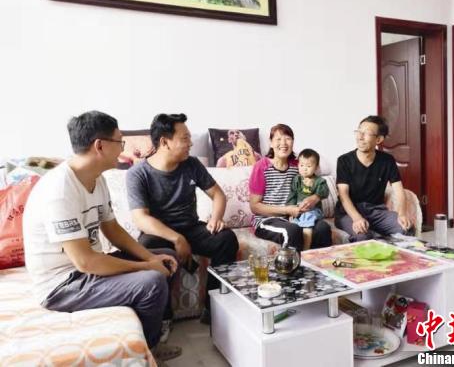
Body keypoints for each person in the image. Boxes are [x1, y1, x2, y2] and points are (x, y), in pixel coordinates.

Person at [23, 111, 182, 361]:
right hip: (63, 285)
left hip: (85, 272)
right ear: (100, 145)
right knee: (151, 282)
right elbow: (85, 262)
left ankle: (150, 331)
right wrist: (146, 266)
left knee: (166, 255)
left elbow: (113, 230)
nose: (122, 148)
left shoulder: (97, 179)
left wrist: (151, 257)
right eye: (120, 141)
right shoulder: (59, 190)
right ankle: (149, 351)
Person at [126, 113, 239, 325]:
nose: (190, 143)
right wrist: (177, 239)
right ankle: (163, 319)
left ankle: (213, 308)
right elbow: (141, 219)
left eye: (190, 138)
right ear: (164, 142)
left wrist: (216, 218)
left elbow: (218, 195)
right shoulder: (138, 174)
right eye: (185, 138)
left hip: (191, 228)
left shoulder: (191, 164)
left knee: (226, 239)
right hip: (159, 234)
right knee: (148, 249)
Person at [249, 124, 333, 251]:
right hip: (266, 220)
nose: (283, 143)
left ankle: (318, 264)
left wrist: (315, 198)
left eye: (288, 139)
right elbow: (254, 206)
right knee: (293, 231)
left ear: (293, 142)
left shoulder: (298, 165)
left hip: (295, 217)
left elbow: (318, 183)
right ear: (271, 143)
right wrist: (287, 210)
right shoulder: (261, 167)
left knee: (323, 228)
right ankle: (294, 264)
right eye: (278, 139)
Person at [335, 115, 414, 241]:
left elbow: (399, 190)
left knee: (406, 228)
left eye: (366, 133)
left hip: (376, 211)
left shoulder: (387, 161)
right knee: (362, 236)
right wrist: (357, 218)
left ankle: (397, 254)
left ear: (379, 139)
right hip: (348, 213)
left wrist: (402, 214)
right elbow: (343, 195)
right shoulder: (344, 161)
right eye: (359, 132)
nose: (360, 137)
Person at [286, 148, 330, 250]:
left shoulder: (319, 181)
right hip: (299, 210)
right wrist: (290, 211)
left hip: (314, 211)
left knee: (307, 219)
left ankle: (306, 249)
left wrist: (313, 186)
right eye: (302, 165)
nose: (304, 169)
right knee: (293, 225)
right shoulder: (297, 180)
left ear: (316, 167)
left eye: (308, 166)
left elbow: (325, 192)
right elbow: (292, 195)